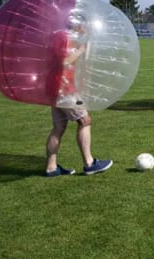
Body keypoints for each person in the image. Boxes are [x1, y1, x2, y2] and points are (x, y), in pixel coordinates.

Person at [45, 12, 113, 177]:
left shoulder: (65, 37)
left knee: (59, 127)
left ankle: (51, 168)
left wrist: (84, 49)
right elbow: (64, 61)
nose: (85, 28)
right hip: (64, 89)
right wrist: (81, 49)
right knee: (85, 120)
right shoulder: (63, 38)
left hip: (56, 89)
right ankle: (89, 163)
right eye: (84, 25)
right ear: (76, 23)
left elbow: (78, 64)